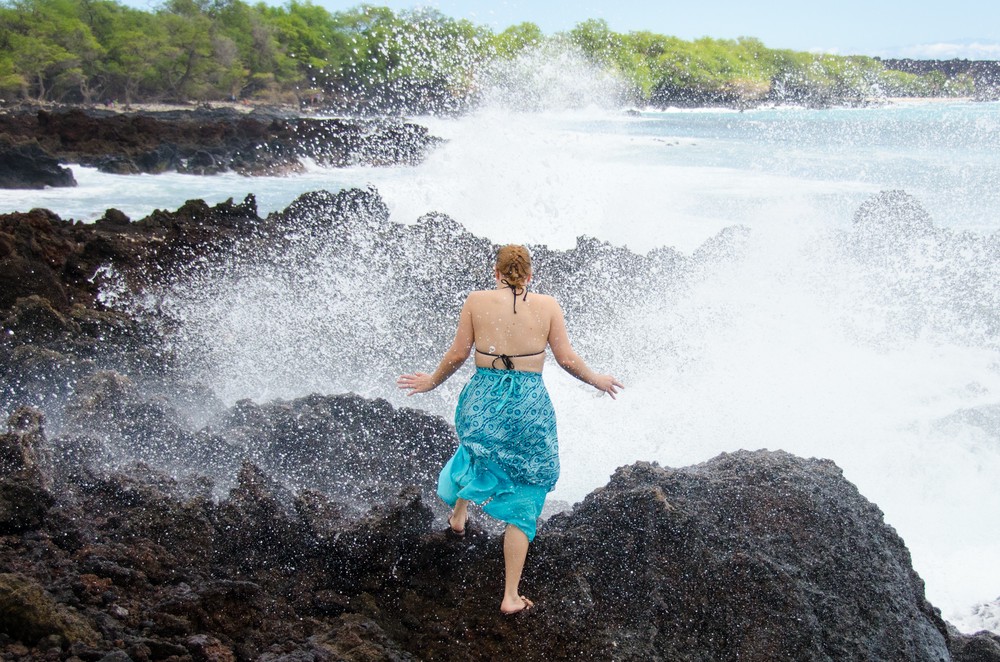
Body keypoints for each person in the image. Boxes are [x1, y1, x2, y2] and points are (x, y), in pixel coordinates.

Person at [397, 244, 623, 615]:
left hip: (483, 394)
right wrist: (596, 379)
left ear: (496, 273)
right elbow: (566, 358)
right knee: (526, 491)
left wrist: (432, 382)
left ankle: (458, 514)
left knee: (478, 451)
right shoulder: (548, 305)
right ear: (530, 275)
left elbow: (457, 354)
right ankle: (510, 596)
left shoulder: (475, 300)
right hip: (527, 404)